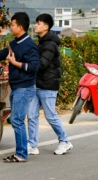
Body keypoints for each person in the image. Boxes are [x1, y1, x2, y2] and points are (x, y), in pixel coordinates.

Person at [0, 12, 39, 163]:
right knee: (16, 120)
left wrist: (14, 63)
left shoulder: (30, 45)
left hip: (25, 88)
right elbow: (0, 54)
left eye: (12, 25)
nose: (10, 27)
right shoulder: (14, 43)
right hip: (16, 87)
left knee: (18, 120)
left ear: (20, 26)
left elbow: (33, 67)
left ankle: (21, 154)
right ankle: (20, 152)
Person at [27, 14, 73, 156]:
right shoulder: (41, 42)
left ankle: (65, 141)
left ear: (46, 27)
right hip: (37, 84)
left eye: (38, 23)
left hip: (48, 85)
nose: (35, 25)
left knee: (50, 116)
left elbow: (42, 64)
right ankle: (32, 144)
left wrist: (25, 64)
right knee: (31, 115)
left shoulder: (50, 44)